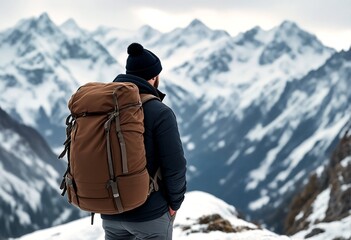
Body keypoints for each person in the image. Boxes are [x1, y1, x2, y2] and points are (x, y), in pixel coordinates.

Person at [101, 42, 187, 240]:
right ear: (154, 77)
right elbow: (175, 166)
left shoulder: (106, 107)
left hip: (111, 211)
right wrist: (175, 203)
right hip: (150, 215)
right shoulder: (160, 112)